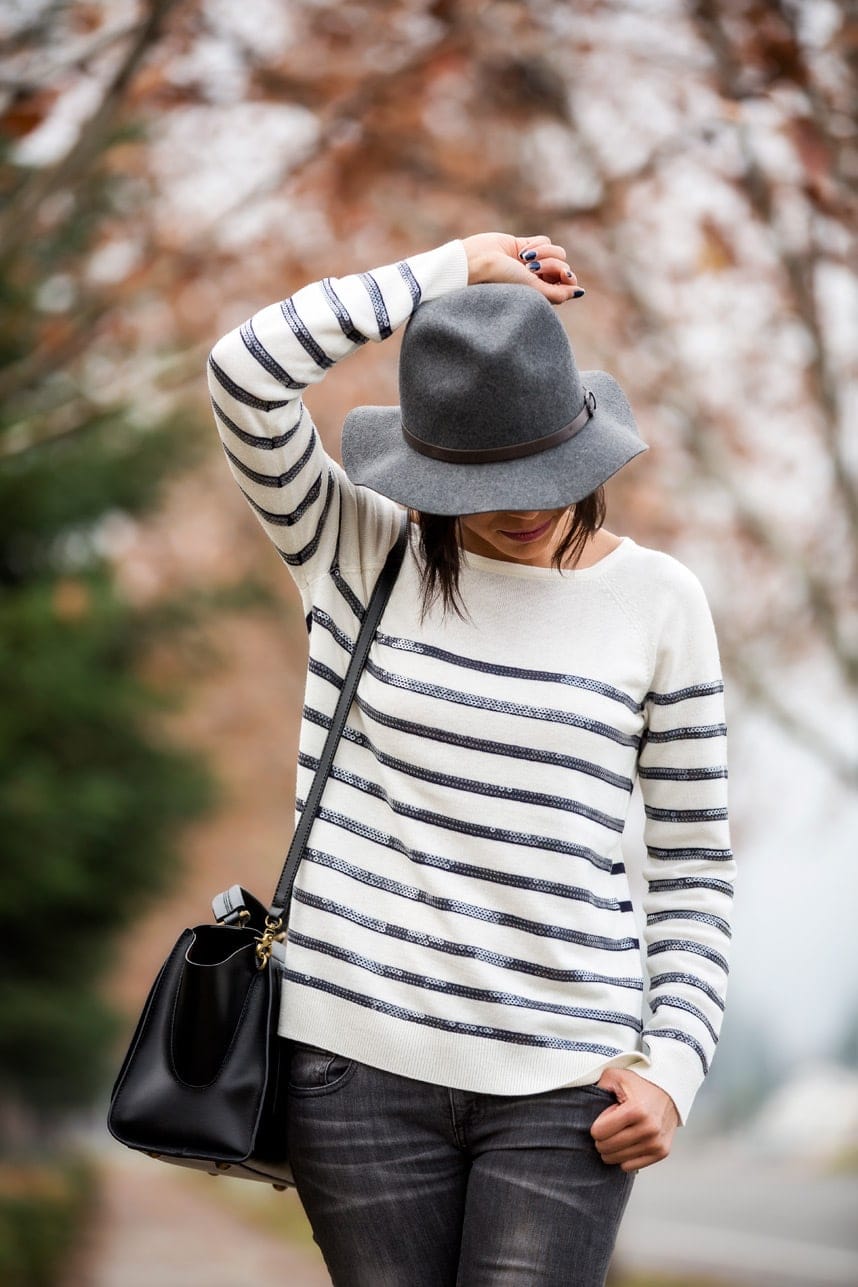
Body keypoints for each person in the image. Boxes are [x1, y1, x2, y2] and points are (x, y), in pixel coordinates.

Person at [207, 232, 734, 1286]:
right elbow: (244, 371)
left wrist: (672, 1067)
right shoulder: (353, 549)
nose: (529, 505)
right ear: (426, 471)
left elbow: (693, 868)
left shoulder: (661, 602)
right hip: (352, 1066)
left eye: (549, 469)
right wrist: (452, 269)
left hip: (568, 1079)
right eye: (486, 484)